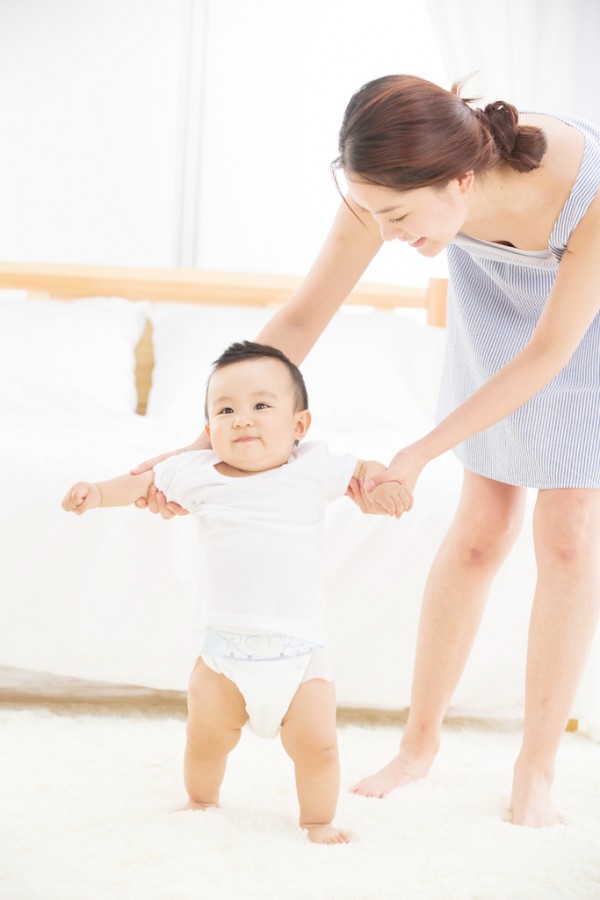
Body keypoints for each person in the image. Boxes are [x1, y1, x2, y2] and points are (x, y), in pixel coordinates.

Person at [133, 74, 600, 828]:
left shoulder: (589, 189)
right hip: (495, 324)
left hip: (581, 338)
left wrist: (419, 451)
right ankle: (419, 746)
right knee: (480, 530)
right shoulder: (385, 186)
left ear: (461, 180)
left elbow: (549, 355)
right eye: (374, 214)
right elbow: (303, 317)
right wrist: (194, 450)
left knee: (570, 538)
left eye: (399, 216)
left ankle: (535, 769)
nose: (386, 234)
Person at [62, 340, 408, 845]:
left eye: (261, 405)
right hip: (225, 653)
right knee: (204, 738)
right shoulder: (195, 473)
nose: (242, 419)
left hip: (301, 655)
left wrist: (380, 484)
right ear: (208, 431)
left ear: (299, 426)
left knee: (319, 748)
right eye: (226, 410)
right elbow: (139, 483)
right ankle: (201, 799)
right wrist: (95, 493)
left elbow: (363, 469)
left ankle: (318, 821)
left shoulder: (312, 466)